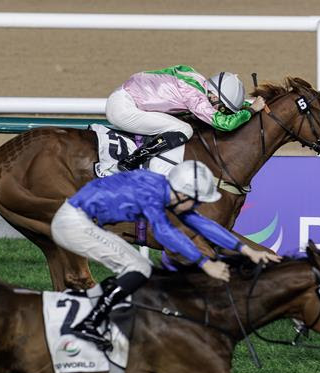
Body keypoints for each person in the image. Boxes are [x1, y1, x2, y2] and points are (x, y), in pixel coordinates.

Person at [50, 160, 281, 349]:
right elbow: (163, 232)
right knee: (139, 268)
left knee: (138, 268)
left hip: (78, 220)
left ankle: (97, 317)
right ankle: (89, 323)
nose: (197, 206)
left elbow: (201, 223)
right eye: (197, 201)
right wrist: (204, 263)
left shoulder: (166, 190)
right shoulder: (151, 192)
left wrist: (247, 250)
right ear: (184, 194)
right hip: (74, 223)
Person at [105, 65, 267, 171]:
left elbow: (224, 106)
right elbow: (223, 124)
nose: (220, 111)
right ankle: (130, 162)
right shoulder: (195, 97)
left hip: (126, 98)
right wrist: (251, 110)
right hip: (123, 109)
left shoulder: (197, 79)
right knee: (185, 129)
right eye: (222, 108)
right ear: (215, 96)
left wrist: (246, 105)